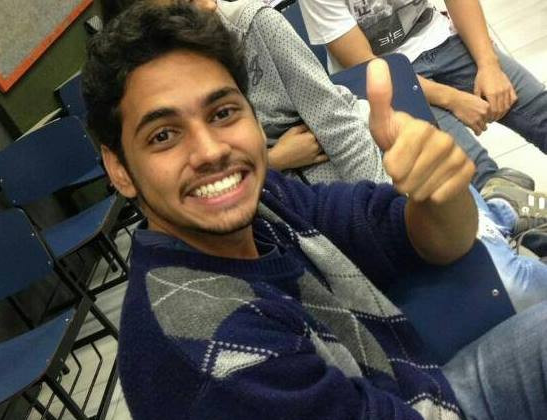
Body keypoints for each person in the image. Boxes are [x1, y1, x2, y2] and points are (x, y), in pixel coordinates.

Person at [82, 3, 547, 419]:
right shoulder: (205, 350)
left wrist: (438, 194)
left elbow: (411, 234)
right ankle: (503, 207)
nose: (210, 151)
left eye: (222, 113)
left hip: (420, 388)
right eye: (163, 135)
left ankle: (498, 206)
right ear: (119, 168)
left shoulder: (267, 202)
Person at [298, 0, 547, 192]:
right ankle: (529, 224)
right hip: (386, 75)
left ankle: (529, 218)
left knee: (540, 110)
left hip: (442, 40)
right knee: (474, 174)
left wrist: (488, 63)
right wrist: (453, 99)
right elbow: (364, 63)